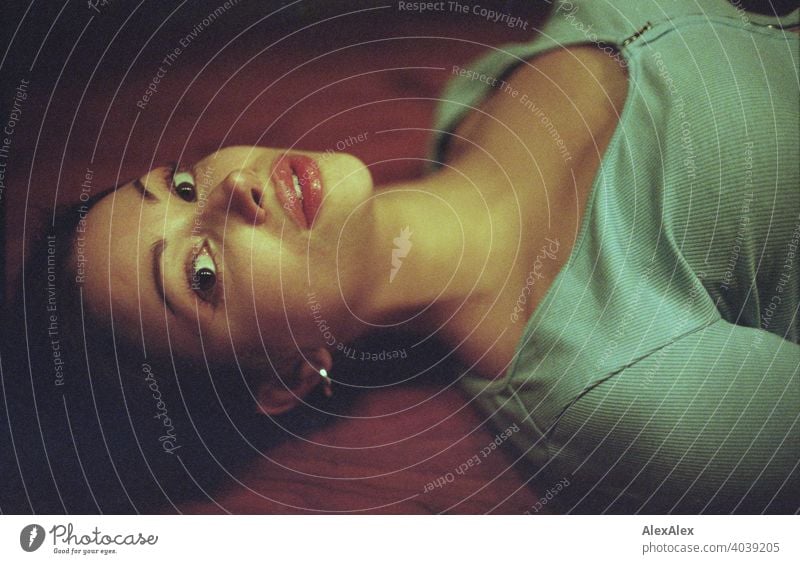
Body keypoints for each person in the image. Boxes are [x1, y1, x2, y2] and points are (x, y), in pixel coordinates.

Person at [2, 0, 798, 514]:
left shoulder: (473, 93)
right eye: (201, 276)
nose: (233, 187)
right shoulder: (632, 390)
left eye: (179, 186)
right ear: (284, 378)